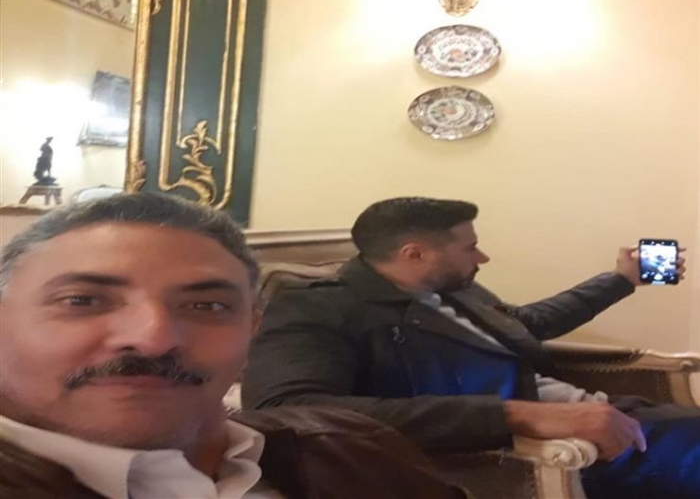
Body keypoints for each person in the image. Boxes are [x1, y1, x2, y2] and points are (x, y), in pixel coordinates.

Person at [0, 193, 467, 499]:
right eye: (82, 300)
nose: (154, 338)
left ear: (252, 328)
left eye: (206, 306)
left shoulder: (350, 448)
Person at [242, 196, 700, 499]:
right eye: (470, 247)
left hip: (599, 414)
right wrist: (514, 415)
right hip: (536, 450)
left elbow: (527, 325)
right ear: (415, 253)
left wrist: (621, 280)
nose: (483, 258)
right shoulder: (317, 308)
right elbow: (287, 410)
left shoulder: (453, 289)